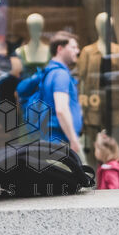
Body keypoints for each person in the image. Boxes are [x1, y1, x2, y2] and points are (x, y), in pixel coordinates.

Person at [35, 33, 84, 161]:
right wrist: (74, 140)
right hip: (61, 144)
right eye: (73, 47)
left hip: (53, 141)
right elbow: (61, 110)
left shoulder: (50, 72)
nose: (77, 51)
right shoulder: (60, 74)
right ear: (60, 49)